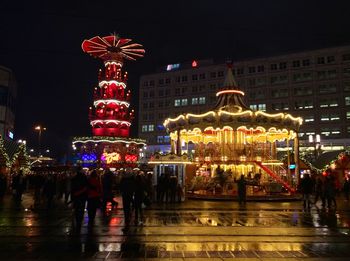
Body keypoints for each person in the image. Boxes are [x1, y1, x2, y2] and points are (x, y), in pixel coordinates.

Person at [70, 167, 88, 234]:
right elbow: (86, 187)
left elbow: (72, 188)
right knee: (80, 209)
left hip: (77, 196)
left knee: (77, 209)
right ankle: (79, 222)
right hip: (82, 196)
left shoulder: (74, 178)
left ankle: (78, 221)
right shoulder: (84, 177)